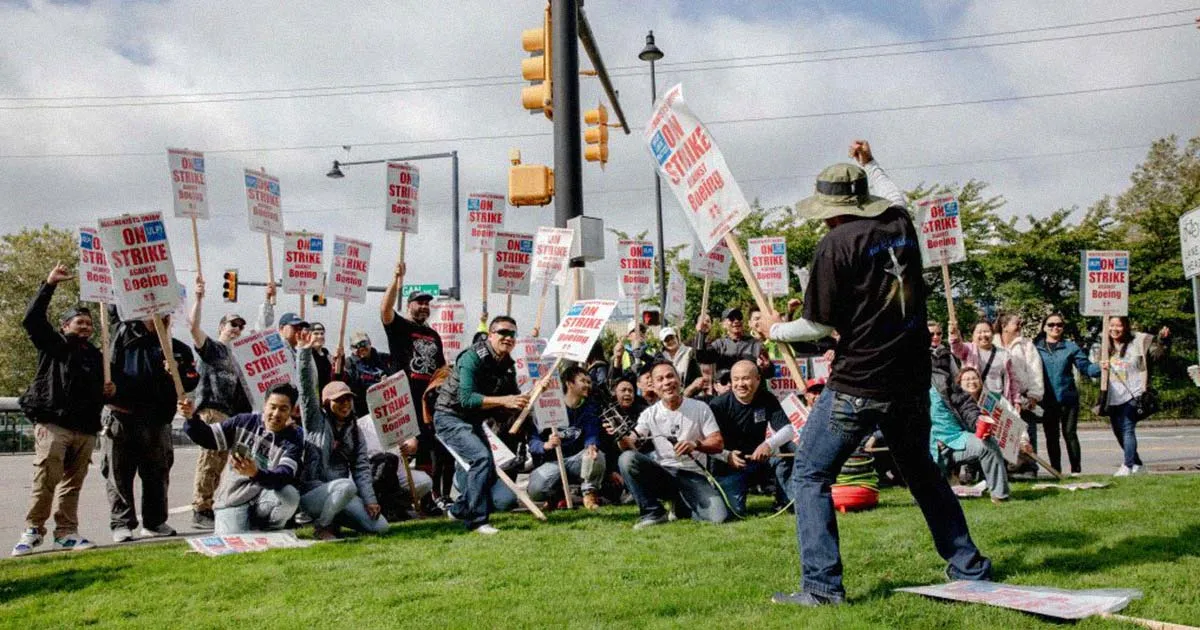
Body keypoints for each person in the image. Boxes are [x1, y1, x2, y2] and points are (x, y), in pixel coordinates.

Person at [754, 140, 991, 606]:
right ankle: (968, 566)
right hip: (910, 379)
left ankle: (822, 589)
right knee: (922, 472)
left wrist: (772, 327)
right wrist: (870, 162)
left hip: (859, 381)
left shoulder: (834, 246)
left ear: (832, 211)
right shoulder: (900, 223)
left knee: (809, 474)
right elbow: (895, 192)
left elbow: (819, 325)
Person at [13, 264, 111, 555]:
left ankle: (67, 532)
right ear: (65, 326)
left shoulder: (97, 357)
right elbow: (31, 320)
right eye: (79, 322)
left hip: (86, 429)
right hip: (53, 424)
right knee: (46, 479)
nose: (85, 327)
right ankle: (33, 530)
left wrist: (108, 390)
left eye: (89, 323)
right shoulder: (54, 346)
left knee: (72, 484)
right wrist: (49, 283)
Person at [104, 307, 199, 543]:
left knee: (157, 473)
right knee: (119, 473)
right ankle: (122, 524)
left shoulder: (178, 348)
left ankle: (155, 522)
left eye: (165, 313)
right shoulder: (124, 338)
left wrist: (176, 373)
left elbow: (191, 379)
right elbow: (116, 310)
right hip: (123, 416)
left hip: (158, 421)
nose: (160, 317)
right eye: (152, 313)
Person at [433, 316, 528, 534]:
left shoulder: (507, 365)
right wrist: (505, 400)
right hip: (450, 417)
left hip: (472, 420)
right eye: (503, 332)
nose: (508, 338)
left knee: (489, 471)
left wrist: (528, 399)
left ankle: (458, 510)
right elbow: (466, 399)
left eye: (512, 334)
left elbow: (510, 400)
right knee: (481, 459)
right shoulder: (472, 357)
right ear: (491, 334)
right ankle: (477, 522)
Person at [296, 335, 389, 538]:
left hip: (342, 494)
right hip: (313, 493)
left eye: (348, 399)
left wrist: (370, 500)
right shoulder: (315, 421)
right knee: (346, 485)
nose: (345, 404)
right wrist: (303, 353)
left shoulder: (355, 431)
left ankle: (334, 519)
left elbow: (362, 468)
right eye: (339, 401)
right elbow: (306, 391)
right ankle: (322, 526)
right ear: (327, 403)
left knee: (380, 527)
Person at [616, 361, 729, 528]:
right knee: (626, 459)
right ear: (653, 386)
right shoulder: (649, 414)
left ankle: (681, 506)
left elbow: (718, 443)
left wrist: (695, 444)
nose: (667, 382)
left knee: (718, 517)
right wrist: (620, 437)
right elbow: (631, 442)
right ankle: (653, 512)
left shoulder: (700, 407)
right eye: (660, 379)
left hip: (694, 475)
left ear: (679, 379)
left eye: (670, 376)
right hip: (665, 473)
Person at [179, 383, 303, 534]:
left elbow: (284, 476)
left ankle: (271, 530)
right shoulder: (243, 422)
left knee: (290, 495)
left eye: (283, 409)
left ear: (291, 411)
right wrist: (192, 418)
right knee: (231, 545)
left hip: (263, 498)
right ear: (264, 405)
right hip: (233, 500)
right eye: (273, 407)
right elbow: (207, 437)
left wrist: (256, 473)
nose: (276, 413)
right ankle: (244, 526)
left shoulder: (294, 438)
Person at [186, 275, 254, 530]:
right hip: (211, 411)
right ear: (220, 327)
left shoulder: (238, 358)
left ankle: (212, 505)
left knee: (224, 464)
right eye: (231, 324)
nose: (235, 329)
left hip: (231, 416)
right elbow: (193, 326)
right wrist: (198, 298)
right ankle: (200, 508)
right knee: (209, 460)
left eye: (239, 326)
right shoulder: (212, 348)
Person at [707, 360, 790, 516]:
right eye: (736, 379)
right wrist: (727, 456)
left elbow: (788, 430)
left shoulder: (767, 399)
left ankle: (784, 501)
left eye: (745, 378)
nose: (740, 384)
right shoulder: (718, 405)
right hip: (729, 466)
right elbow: (708, 443)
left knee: (787, 450)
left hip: (759, 461)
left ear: (758, 379)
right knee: (733, 511)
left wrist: (768, 444)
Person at [932, 359, 1010, 503]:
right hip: (927, 449)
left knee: (987, 444)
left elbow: (965, 404)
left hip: (956, 439)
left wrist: (977, 422)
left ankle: (1000, 496)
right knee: (930, 500)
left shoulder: (942, 379)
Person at [526, 366, 604, 510]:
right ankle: (555, 496)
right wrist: (546, 445)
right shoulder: (548, 407)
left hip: (576, 460)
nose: (587, 385)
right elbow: (533, 441)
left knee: (596, 456)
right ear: (569, 383)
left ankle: (589, 493)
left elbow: (592, 432)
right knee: (536, 489)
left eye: (589, 381)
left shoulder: (589, 408)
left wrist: (591, 444)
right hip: (552, 462)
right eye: (583, 381)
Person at [1097, 317, 1167, 476]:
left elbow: (1157, 355)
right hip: (1113, 396)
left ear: (1126, 327)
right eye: (1111, 325)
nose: (1114, 329)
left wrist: (1163, 340)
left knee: (1128, 429)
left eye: (1118, 325)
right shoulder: (1105, 346)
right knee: (1118, 432)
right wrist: (1101, 367)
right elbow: (1097, 371)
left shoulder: (1137, 343)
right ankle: (1138, 464)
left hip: (1134, 393)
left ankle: (1127, 465)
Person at [1033, 313, 1101, 475]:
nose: (1055, 328)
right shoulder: (1035, 348)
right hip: (1047, 400)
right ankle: (1056, 471)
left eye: (1059, 325)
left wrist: (1101, 367)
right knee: (1051, 437)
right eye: (1051, 325)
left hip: (1068, 399)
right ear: (1044, 327)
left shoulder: (1070, 347)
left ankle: (1076, 470)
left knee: (1070, 434)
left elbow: (1086, 368)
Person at [995, 313, 1044, 464]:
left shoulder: (1026, 345)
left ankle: (1029, 467)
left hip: (1023, 397)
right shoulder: (992, 343)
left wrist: (1034, 394)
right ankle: (1006, 468)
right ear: (1004, 326)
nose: (1020, 325)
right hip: (999, 396)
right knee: (1002, 435)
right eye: (1016, 323)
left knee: (1027, 433)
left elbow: (1035, 370)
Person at [342, 331, 397, 418]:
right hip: (364, 411)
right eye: (356, 347)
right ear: (352, 349)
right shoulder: (349, 364)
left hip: (387, 407)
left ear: (370, 343)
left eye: (364, 345)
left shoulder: (384, 358)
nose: (361, 349)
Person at [693, 307, 765, 372]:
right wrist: (701, 334)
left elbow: (769, 372)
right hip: (727, 386)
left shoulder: (755, 344)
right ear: (723, 324)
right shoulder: (719, 344)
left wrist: (766, 366)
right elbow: (701, 357)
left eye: (739, 318)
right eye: (731, 318)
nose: (736, 321)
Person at [308, 322, 335, 394]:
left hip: (327, 394)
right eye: (316, 334)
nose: (320, 336)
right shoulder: (307, 355)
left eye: (322, 334)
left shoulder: (326, 353)